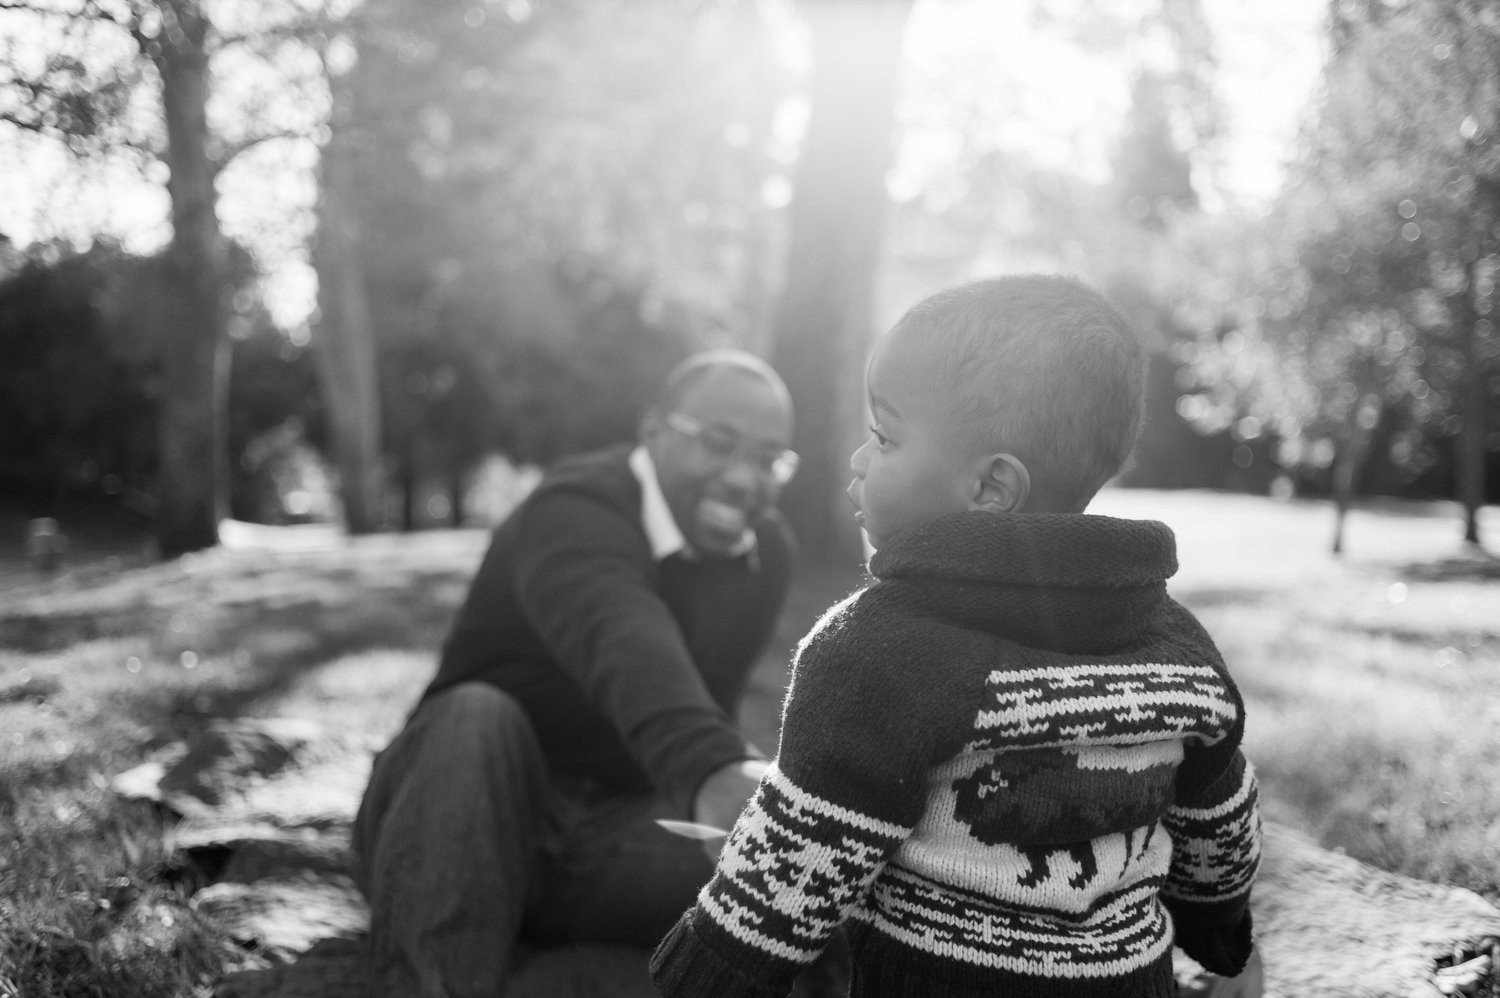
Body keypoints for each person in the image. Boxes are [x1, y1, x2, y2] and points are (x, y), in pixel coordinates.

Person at [651, 276, 1264, 998]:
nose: (857, 459)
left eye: (883, 436)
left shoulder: (878, 650)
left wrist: (700, 974)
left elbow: (792, 870)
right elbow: (1218, 831)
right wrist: (1224, 939)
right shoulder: (1179, 648)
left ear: (990, 489)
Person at [351, 349, 800, 998]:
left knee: (809, 884)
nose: (742, 478)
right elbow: (619, 633)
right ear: (654, 429)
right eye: (718, 443)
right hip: (460, 813)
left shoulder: (768, 555)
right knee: (477, 714)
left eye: (768, 460)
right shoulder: (575, 506)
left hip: (605, 845)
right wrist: (712, 768)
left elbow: (702, 702)